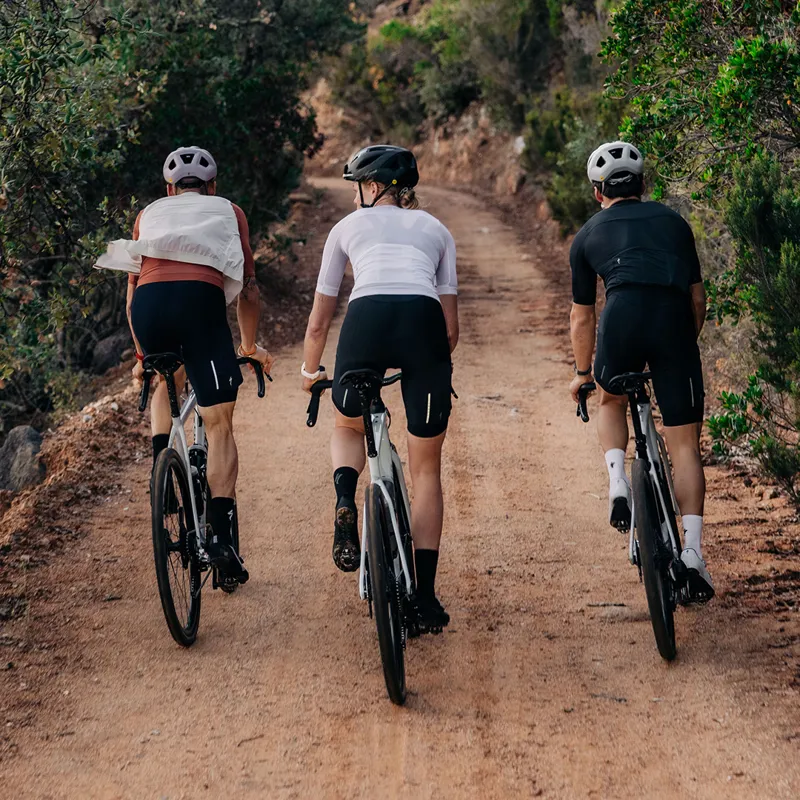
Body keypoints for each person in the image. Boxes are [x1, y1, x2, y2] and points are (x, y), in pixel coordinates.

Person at [301, 145, 459, 630]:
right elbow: (451, 329)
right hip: (422, 325)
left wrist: (310, 373)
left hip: (365, 322)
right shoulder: (437, 229)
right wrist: (429, 366)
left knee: (348, 425)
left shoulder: (346, 228)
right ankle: (425, 597)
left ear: (373, 187)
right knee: (425, 468)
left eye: (357, 188)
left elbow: (319, 320)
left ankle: (345, 499)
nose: (355, 198)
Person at [568, 140, 714, 602]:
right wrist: (681, 348)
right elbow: (697, 300)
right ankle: (692, 552)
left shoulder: (587, 235)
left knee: (610, 398)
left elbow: (582, 317)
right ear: (643, 184)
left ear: (598, 192)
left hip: (622, 320)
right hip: (672, 324)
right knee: (684, 444)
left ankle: (618, 480)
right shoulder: (675, 223)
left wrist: (582, 374)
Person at [122, 146, 274, 582]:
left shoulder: (148, 213)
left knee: (164, 378)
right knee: (219, 423)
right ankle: (222, 538)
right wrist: (248, 346)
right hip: (200, 308)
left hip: (149, 309)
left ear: (169, 190)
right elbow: (248, 290)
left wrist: (141, 357)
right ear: (212, 187)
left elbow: (131, 296)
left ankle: (162, 471)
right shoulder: (230, 211)